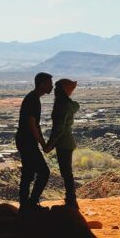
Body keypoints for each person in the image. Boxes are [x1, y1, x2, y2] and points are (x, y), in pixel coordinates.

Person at [15, 71, 53, 211]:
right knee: (44, 172)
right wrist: (43, 144)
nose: (52, 87)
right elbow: (32, 124)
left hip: (25, 140)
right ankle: (31, 204)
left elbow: (35, 125)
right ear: (42, 84)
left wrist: (42, 142)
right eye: (49, 83)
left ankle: (25, 205)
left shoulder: (33, 98)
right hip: (27, 141)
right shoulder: (33, 100)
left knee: (28, 173)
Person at [45, 78, 80, 208]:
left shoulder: (61, 105)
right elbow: (76, 105)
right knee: (67, 172)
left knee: (66, 172)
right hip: (67, 142)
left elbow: (58, 128)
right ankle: (71, 199)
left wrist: (50, 143)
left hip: (63, 143)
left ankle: (71, 200)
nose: (54, 91)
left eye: (57, 89)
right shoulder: (69, 104)